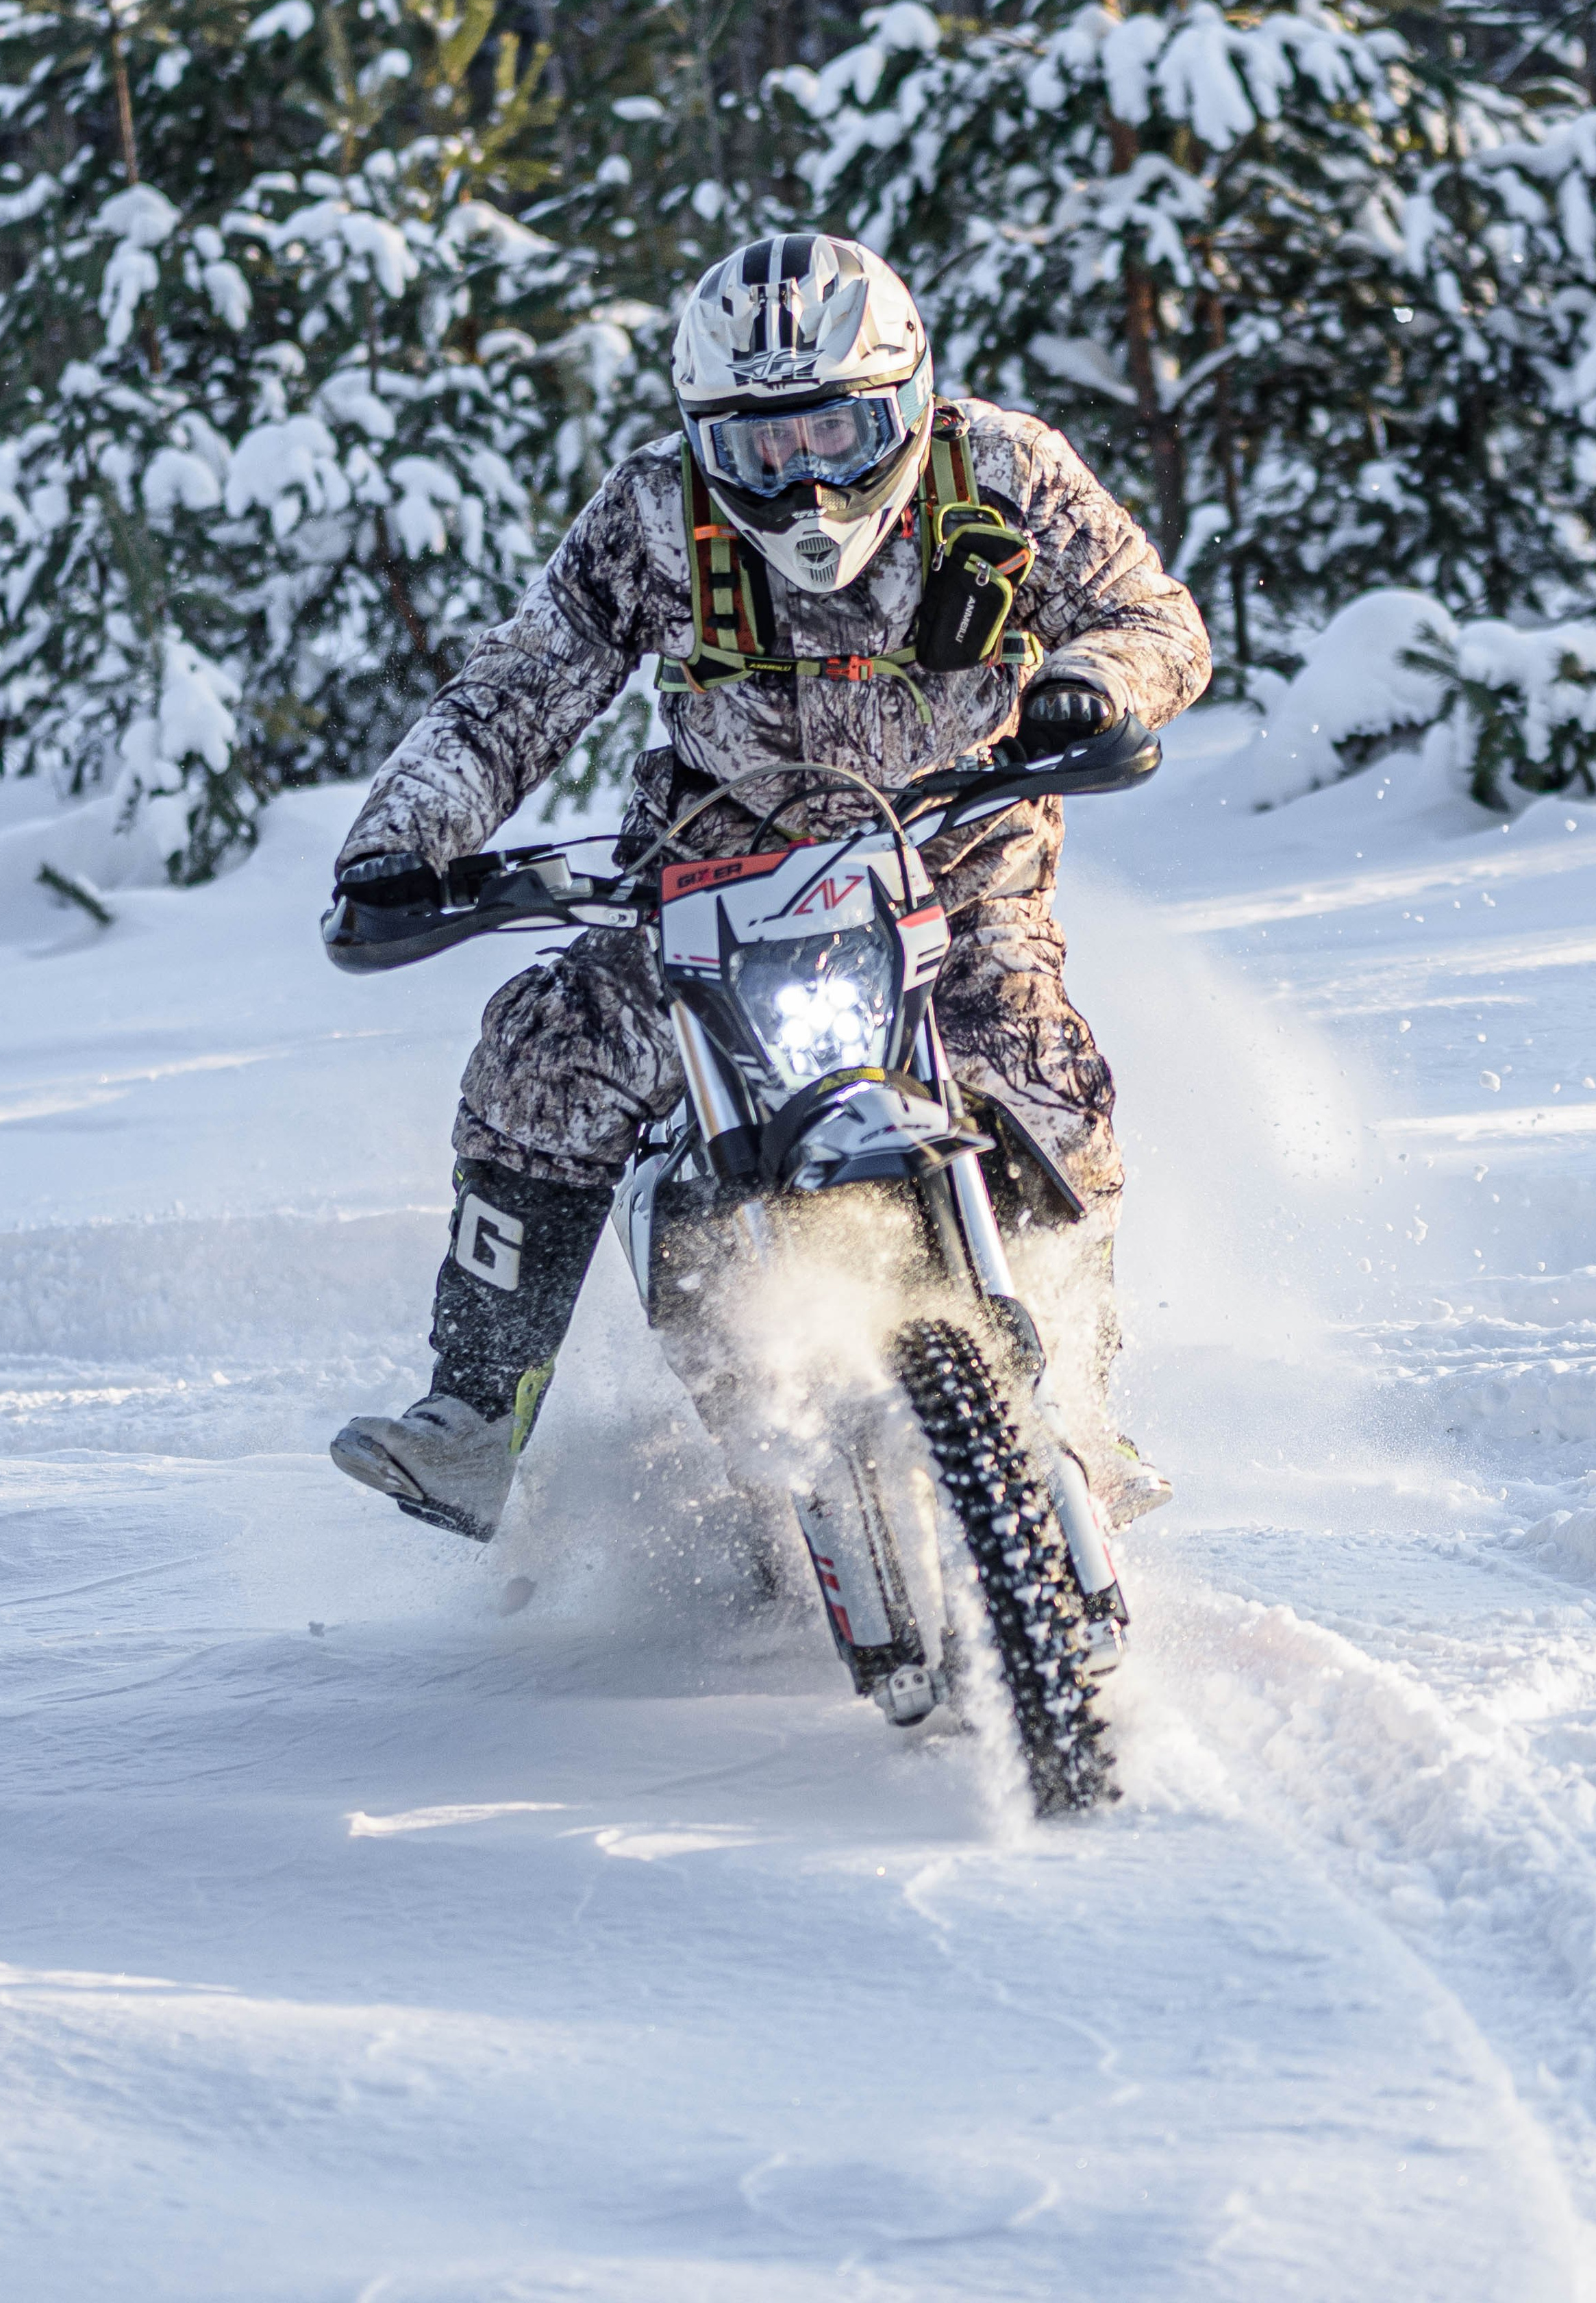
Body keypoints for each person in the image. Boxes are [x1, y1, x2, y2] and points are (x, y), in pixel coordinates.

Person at [327, 234, 1211, 1546]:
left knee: (1042, 1067)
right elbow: (521, 685)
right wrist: (401, 842)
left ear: (905, 405)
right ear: (704, 438)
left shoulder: (1006, 470)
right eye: (759, 448)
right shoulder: (653, 513)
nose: (802, 483)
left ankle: (1080, 1400)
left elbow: (1154, 616)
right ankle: (471, 1413)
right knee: (547, 1046)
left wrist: (1093, 688)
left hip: (954, 868)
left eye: (835, 435)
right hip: (713, 877)